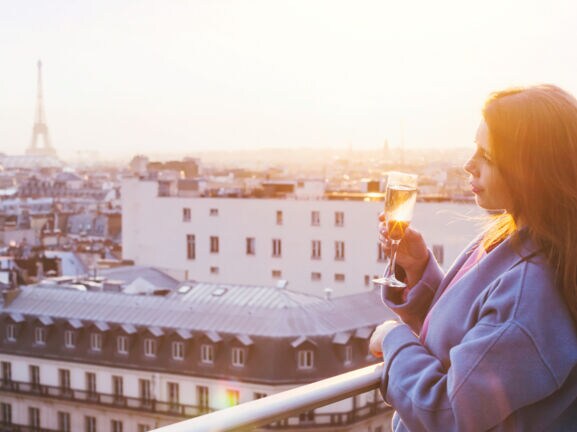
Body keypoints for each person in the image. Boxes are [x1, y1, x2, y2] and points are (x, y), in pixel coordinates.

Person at [369, 84, 577, 431]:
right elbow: (473, 336)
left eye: (487, 156)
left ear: (531, 171)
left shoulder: (529, 289)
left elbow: (449, 414)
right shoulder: (514, 236)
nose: (469, 165)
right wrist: (420, 271)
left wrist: (393, 339)